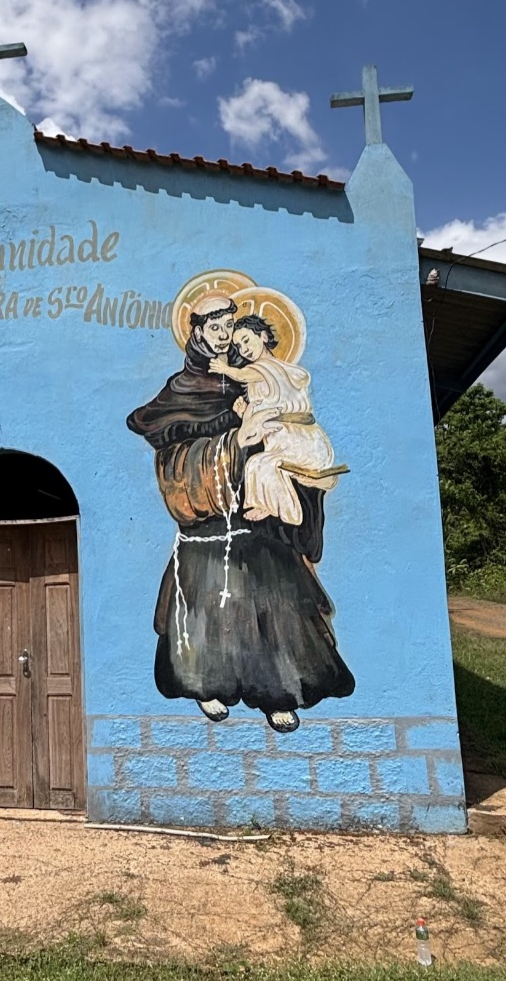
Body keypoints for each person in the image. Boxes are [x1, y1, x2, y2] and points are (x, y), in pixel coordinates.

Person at [126, 293, 354, 733]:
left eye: (229, 327)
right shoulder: (181, 390)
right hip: (208, 524)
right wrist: (236, 443)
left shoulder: (251, 378)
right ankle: (203, 686)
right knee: (206, 608)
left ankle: (279, 694)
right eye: (214, 329)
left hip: (257, 520)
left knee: (273, 607)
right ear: (195, 332)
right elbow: (174, 461)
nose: (224, 336)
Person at [208, 314, 337, 526]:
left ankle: (287, 512)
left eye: (247, 340)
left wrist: (225, 370)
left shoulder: (269, 367)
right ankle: (266, 504)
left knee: (260, 464)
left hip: (303, 442)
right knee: (257, 464)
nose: (244, 349)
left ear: (265, 337)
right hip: (287, 443)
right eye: (239, 346)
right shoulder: (263, 377)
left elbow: (243, 375)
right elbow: (262, 415)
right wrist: (245, 413)